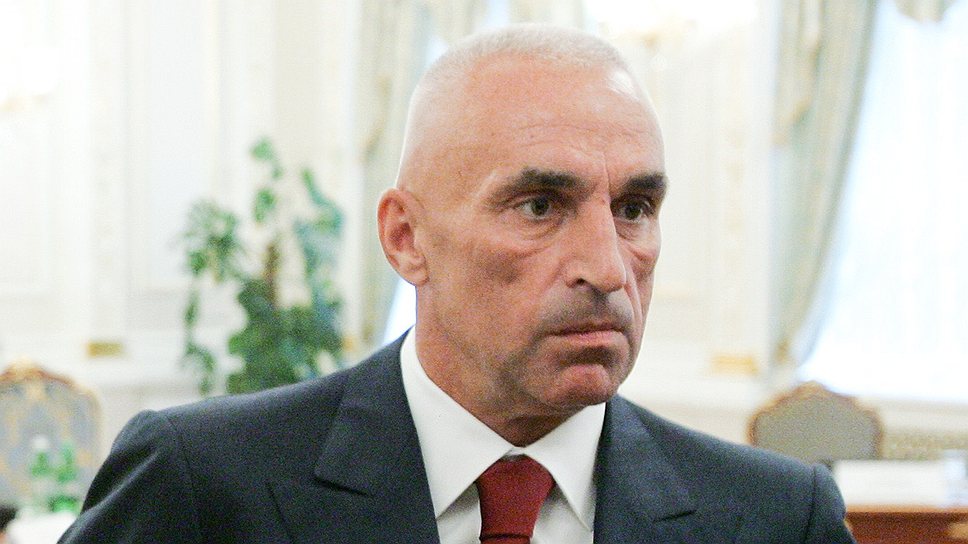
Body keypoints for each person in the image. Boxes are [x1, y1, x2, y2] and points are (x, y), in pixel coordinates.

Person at [59, 24, 854, 543]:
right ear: (407, 239)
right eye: (540, 206)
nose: (610, 268)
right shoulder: (205, 486)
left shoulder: (780, 519)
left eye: (634, 209)